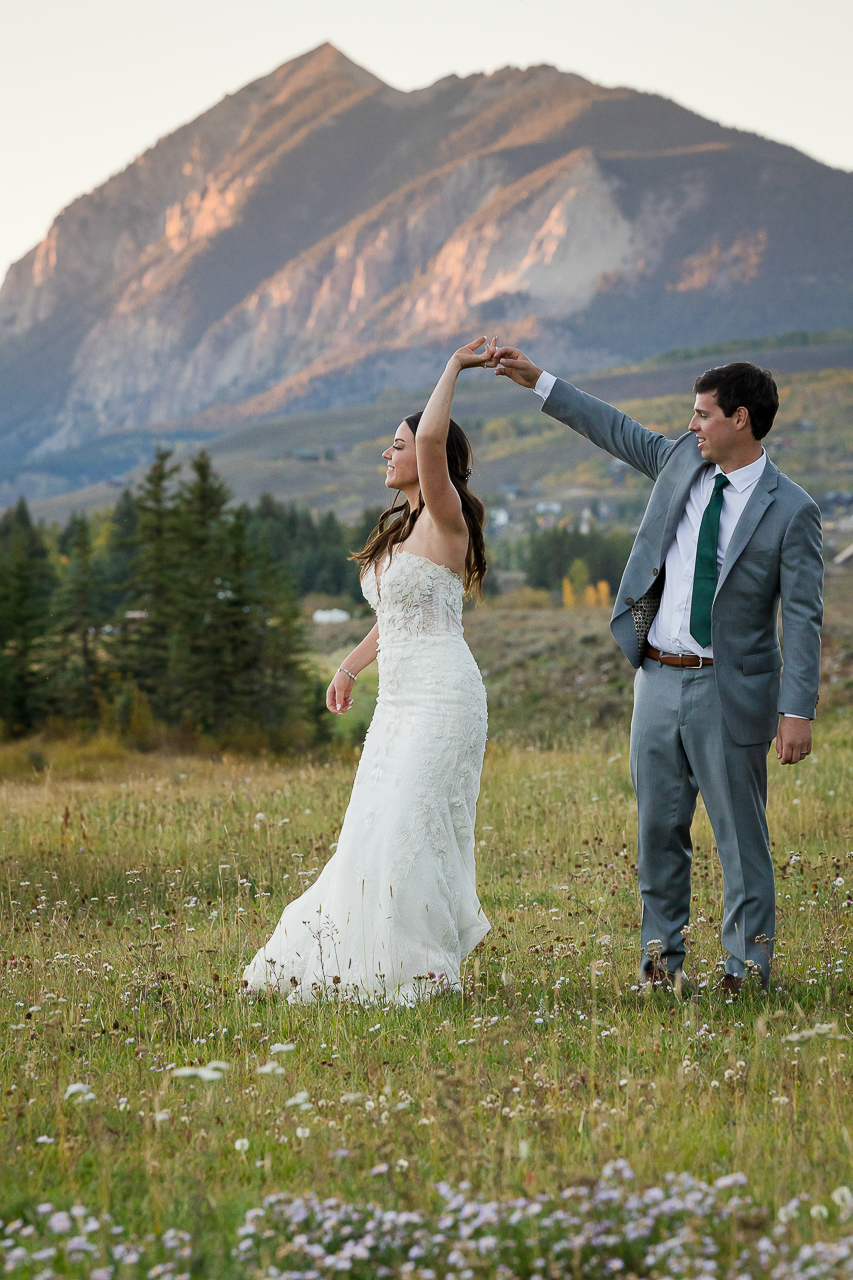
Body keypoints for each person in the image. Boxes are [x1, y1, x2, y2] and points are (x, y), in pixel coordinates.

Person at [491, 348, 823, 992]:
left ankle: (747, 973)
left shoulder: (793, 511)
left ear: (742, 421)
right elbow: (612, 428)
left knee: (739, 837)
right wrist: (541, 382)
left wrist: (797, 709)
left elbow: (804, 617)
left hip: (731, 691)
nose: (691, 425)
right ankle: (659, 966)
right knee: (656, 830)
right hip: (657, 680)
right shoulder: (679, 462)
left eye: (703, 415)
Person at [242, 338, 496, 1003]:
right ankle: (361, 963)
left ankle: (423, 972)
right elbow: (395, 619)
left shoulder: (445, 518)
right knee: (373, 832)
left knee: (415, 829)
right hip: (398, 706)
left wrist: (454, 366)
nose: (387, 454)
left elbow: (435, 436)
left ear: (427, 459)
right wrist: (349, 667)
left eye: (397, 443)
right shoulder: (402, 530)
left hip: (443, 700)